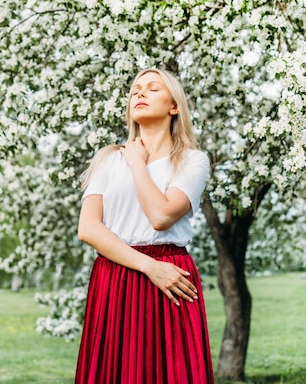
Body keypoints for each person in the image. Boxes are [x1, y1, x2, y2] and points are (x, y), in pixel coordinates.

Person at [75, 68, 215, 384]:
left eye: (152, 88)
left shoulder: (192, 161)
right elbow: (89, 228)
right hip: (117, 274)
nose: (140, 93)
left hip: (173, 279)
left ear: (174, 106)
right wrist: (150, 267)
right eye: (136, 89)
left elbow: (161, 216)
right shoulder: (109, 159)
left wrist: (138, 163)